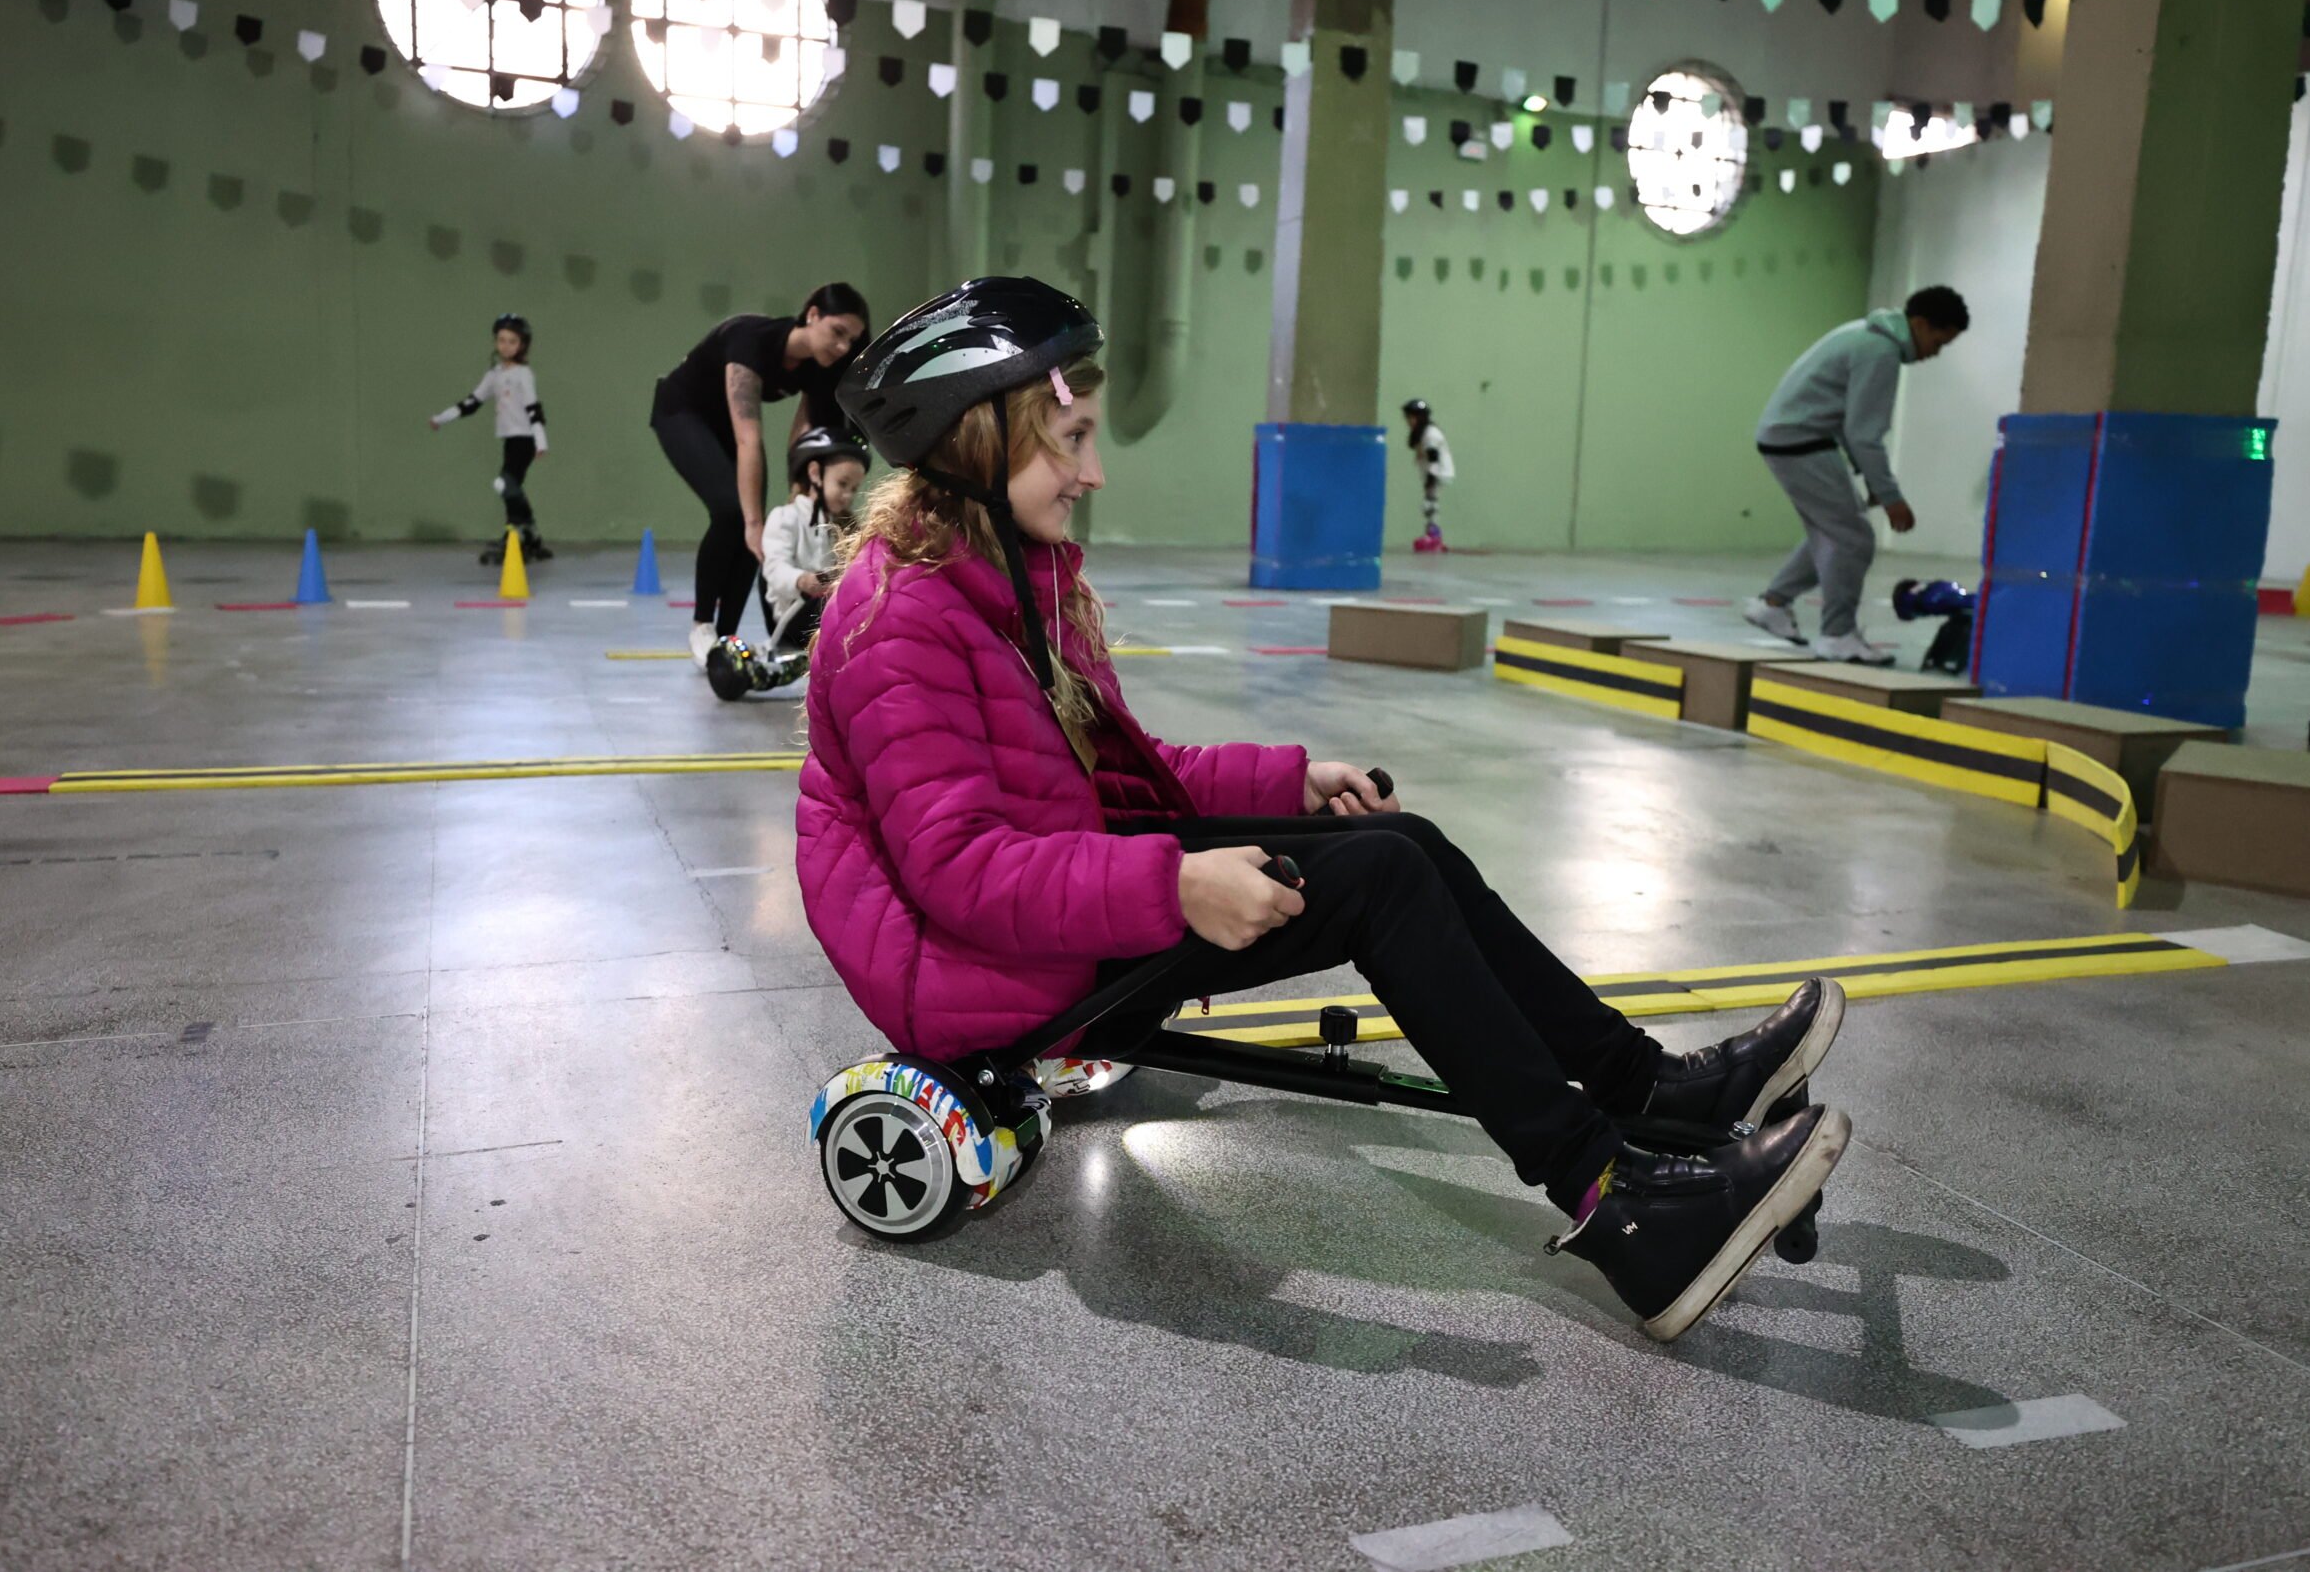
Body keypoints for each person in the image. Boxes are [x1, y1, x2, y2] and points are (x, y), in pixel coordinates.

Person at [797, 278, 1852, 1342]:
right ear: (979, 441)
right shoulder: (901, 619)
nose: (1093, 470)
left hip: (1051, 902)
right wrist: (1171, 886)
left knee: (1397, 841)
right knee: (1382, 885)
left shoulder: (1002, 573)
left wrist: (1288, 781)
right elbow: (960, 873)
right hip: (978, 967)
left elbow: (1115, 774)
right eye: (1067, 439)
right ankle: (1620, 1208)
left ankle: (1654, 1091)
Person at [1744, 286, 1968, 665]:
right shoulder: (1880, 352)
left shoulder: (1863, 334)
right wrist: (1891, 495)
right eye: (1938, 340)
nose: (1935, 352)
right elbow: (1864, 434)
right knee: (1853, 539)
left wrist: (1871, 478)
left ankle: (1773, 604)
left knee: (1830, 532)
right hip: (1801, 441)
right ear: (1918, 323)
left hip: (1790, 439)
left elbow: (1852, 427)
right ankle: (1837, 636)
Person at [650, 285, 871, 666]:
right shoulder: (749, 339)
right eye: (837, 332)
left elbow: (807, 436)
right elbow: (748, 439)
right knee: (733, 513)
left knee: (763, 532)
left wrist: (797, 500)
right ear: (812, 314)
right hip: (681, 412)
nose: (841, 347)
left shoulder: (821, 366)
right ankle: (702, 625)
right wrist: (753, 520)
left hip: (727, 429)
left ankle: (726, 638)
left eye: (850, 341)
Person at [428, 314, 551, 563]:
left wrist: (541, 440)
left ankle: (518, 533)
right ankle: (527, 533)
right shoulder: (494, 374)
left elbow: (533, 409)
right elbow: (472, 402)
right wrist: (442, 418)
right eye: (502, 340)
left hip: (525, 439)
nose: (505, 346)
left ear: (522, 345)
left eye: (512, 341)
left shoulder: (523, 374)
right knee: (510, 488)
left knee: (505, 484)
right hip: (509, 438)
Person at [758, 427, 868, 659]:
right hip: (793, 614)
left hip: (825, 609)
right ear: (815, 473)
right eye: (842, 483)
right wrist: (802, 580)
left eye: (854, 489)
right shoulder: (784, 517)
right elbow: (774, 568)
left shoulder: (841, 525)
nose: (848, 495)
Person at [1403, 397, 1455, 553]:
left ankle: (1434, 536)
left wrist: (1430, 483)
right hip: (1431, 474)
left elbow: (1434, 460)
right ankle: (1433, 534)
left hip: (1438, 473)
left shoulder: (1431, 435)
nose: (1408, 421)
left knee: (1431, 504)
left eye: (1411, 417)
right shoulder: (1423, 433)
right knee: (1431, 505)